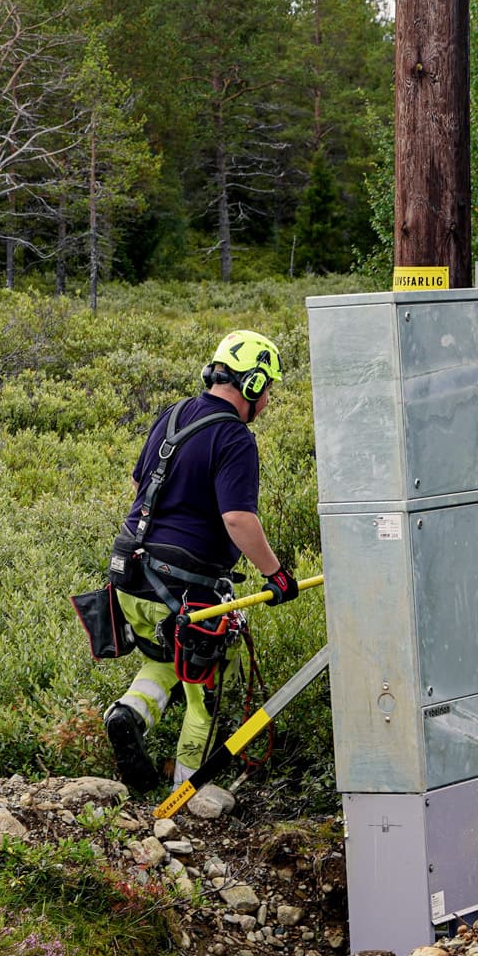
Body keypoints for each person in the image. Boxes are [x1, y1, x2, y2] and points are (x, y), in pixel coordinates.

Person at [103, 330, 299, 793]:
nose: (268, 400)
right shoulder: (235, 437)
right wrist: (276, 575)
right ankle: (188, 794)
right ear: (252, 384)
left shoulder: (173, 414)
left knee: (165, 661)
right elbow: (238, 519)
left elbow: (139, 486)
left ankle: (128, 713)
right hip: (185, 589)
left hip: (130, 576)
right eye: (267, 388)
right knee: (206, 689)